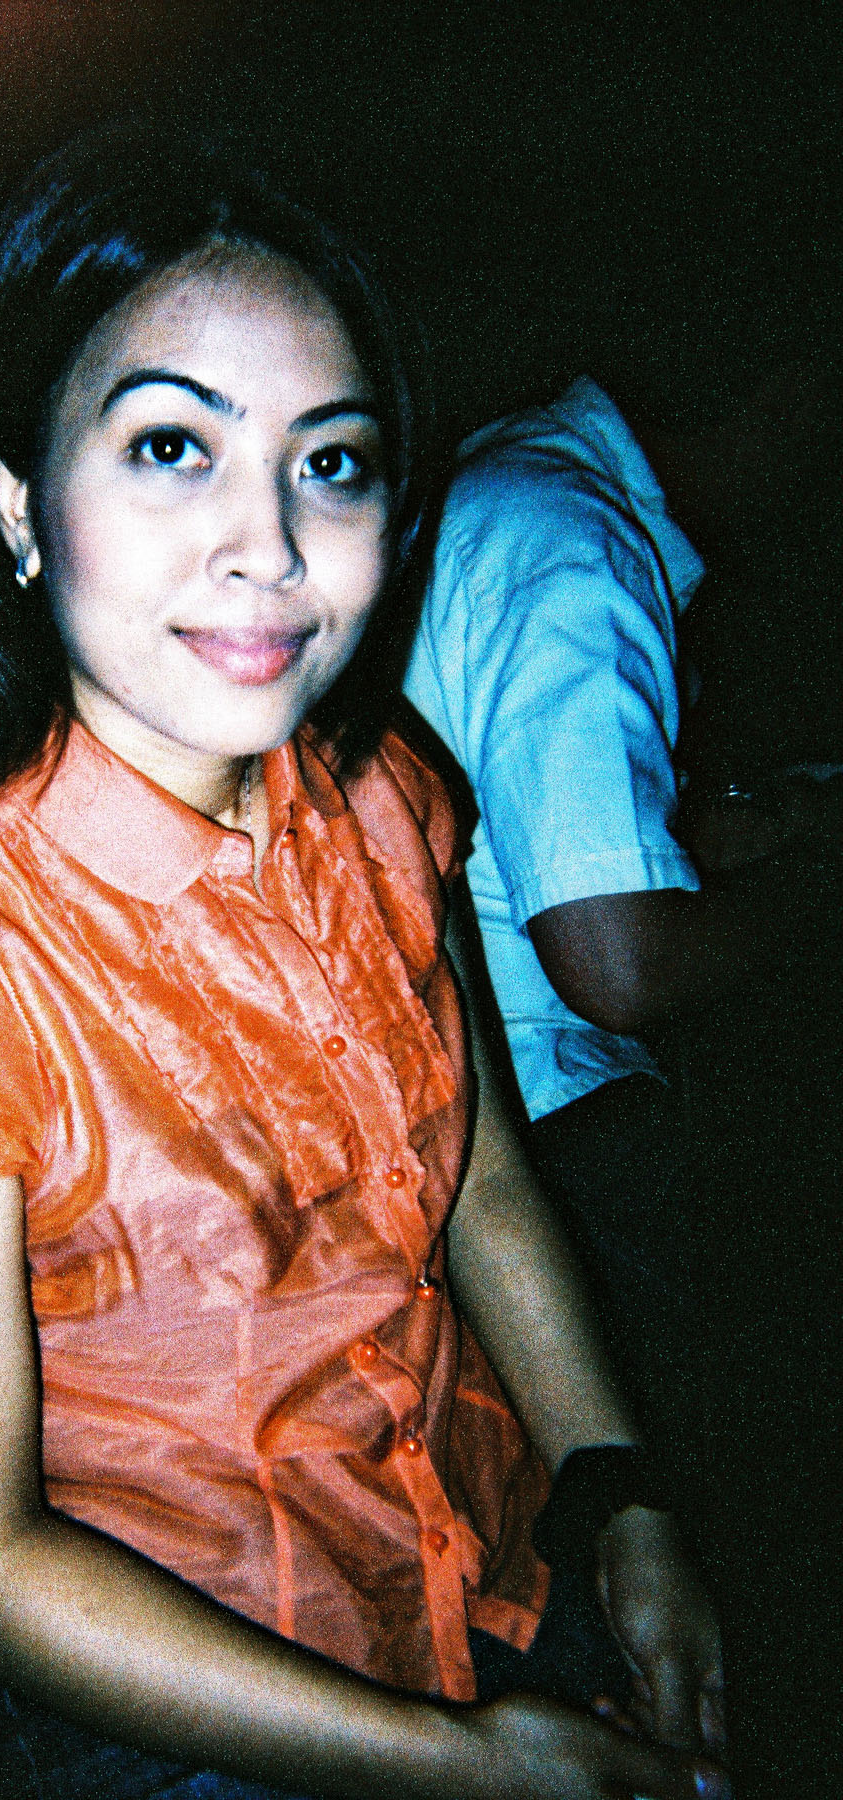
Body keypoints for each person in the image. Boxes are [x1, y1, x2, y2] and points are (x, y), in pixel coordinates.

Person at [0, 136, 726, 1800]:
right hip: (198, 1720)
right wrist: (447, 1765)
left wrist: (618, 1496)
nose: (268, 541)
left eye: (330, 465)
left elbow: (476, 1189)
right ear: (14, 504)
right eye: (174, 448)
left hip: (500, 1580)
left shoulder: (381, 790)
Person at [402, 373, 842, 1482]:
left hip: (483, 1138)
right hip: (556, 1142)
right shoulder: (566, 530)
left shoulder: (497, 488)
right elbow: (618, 962)